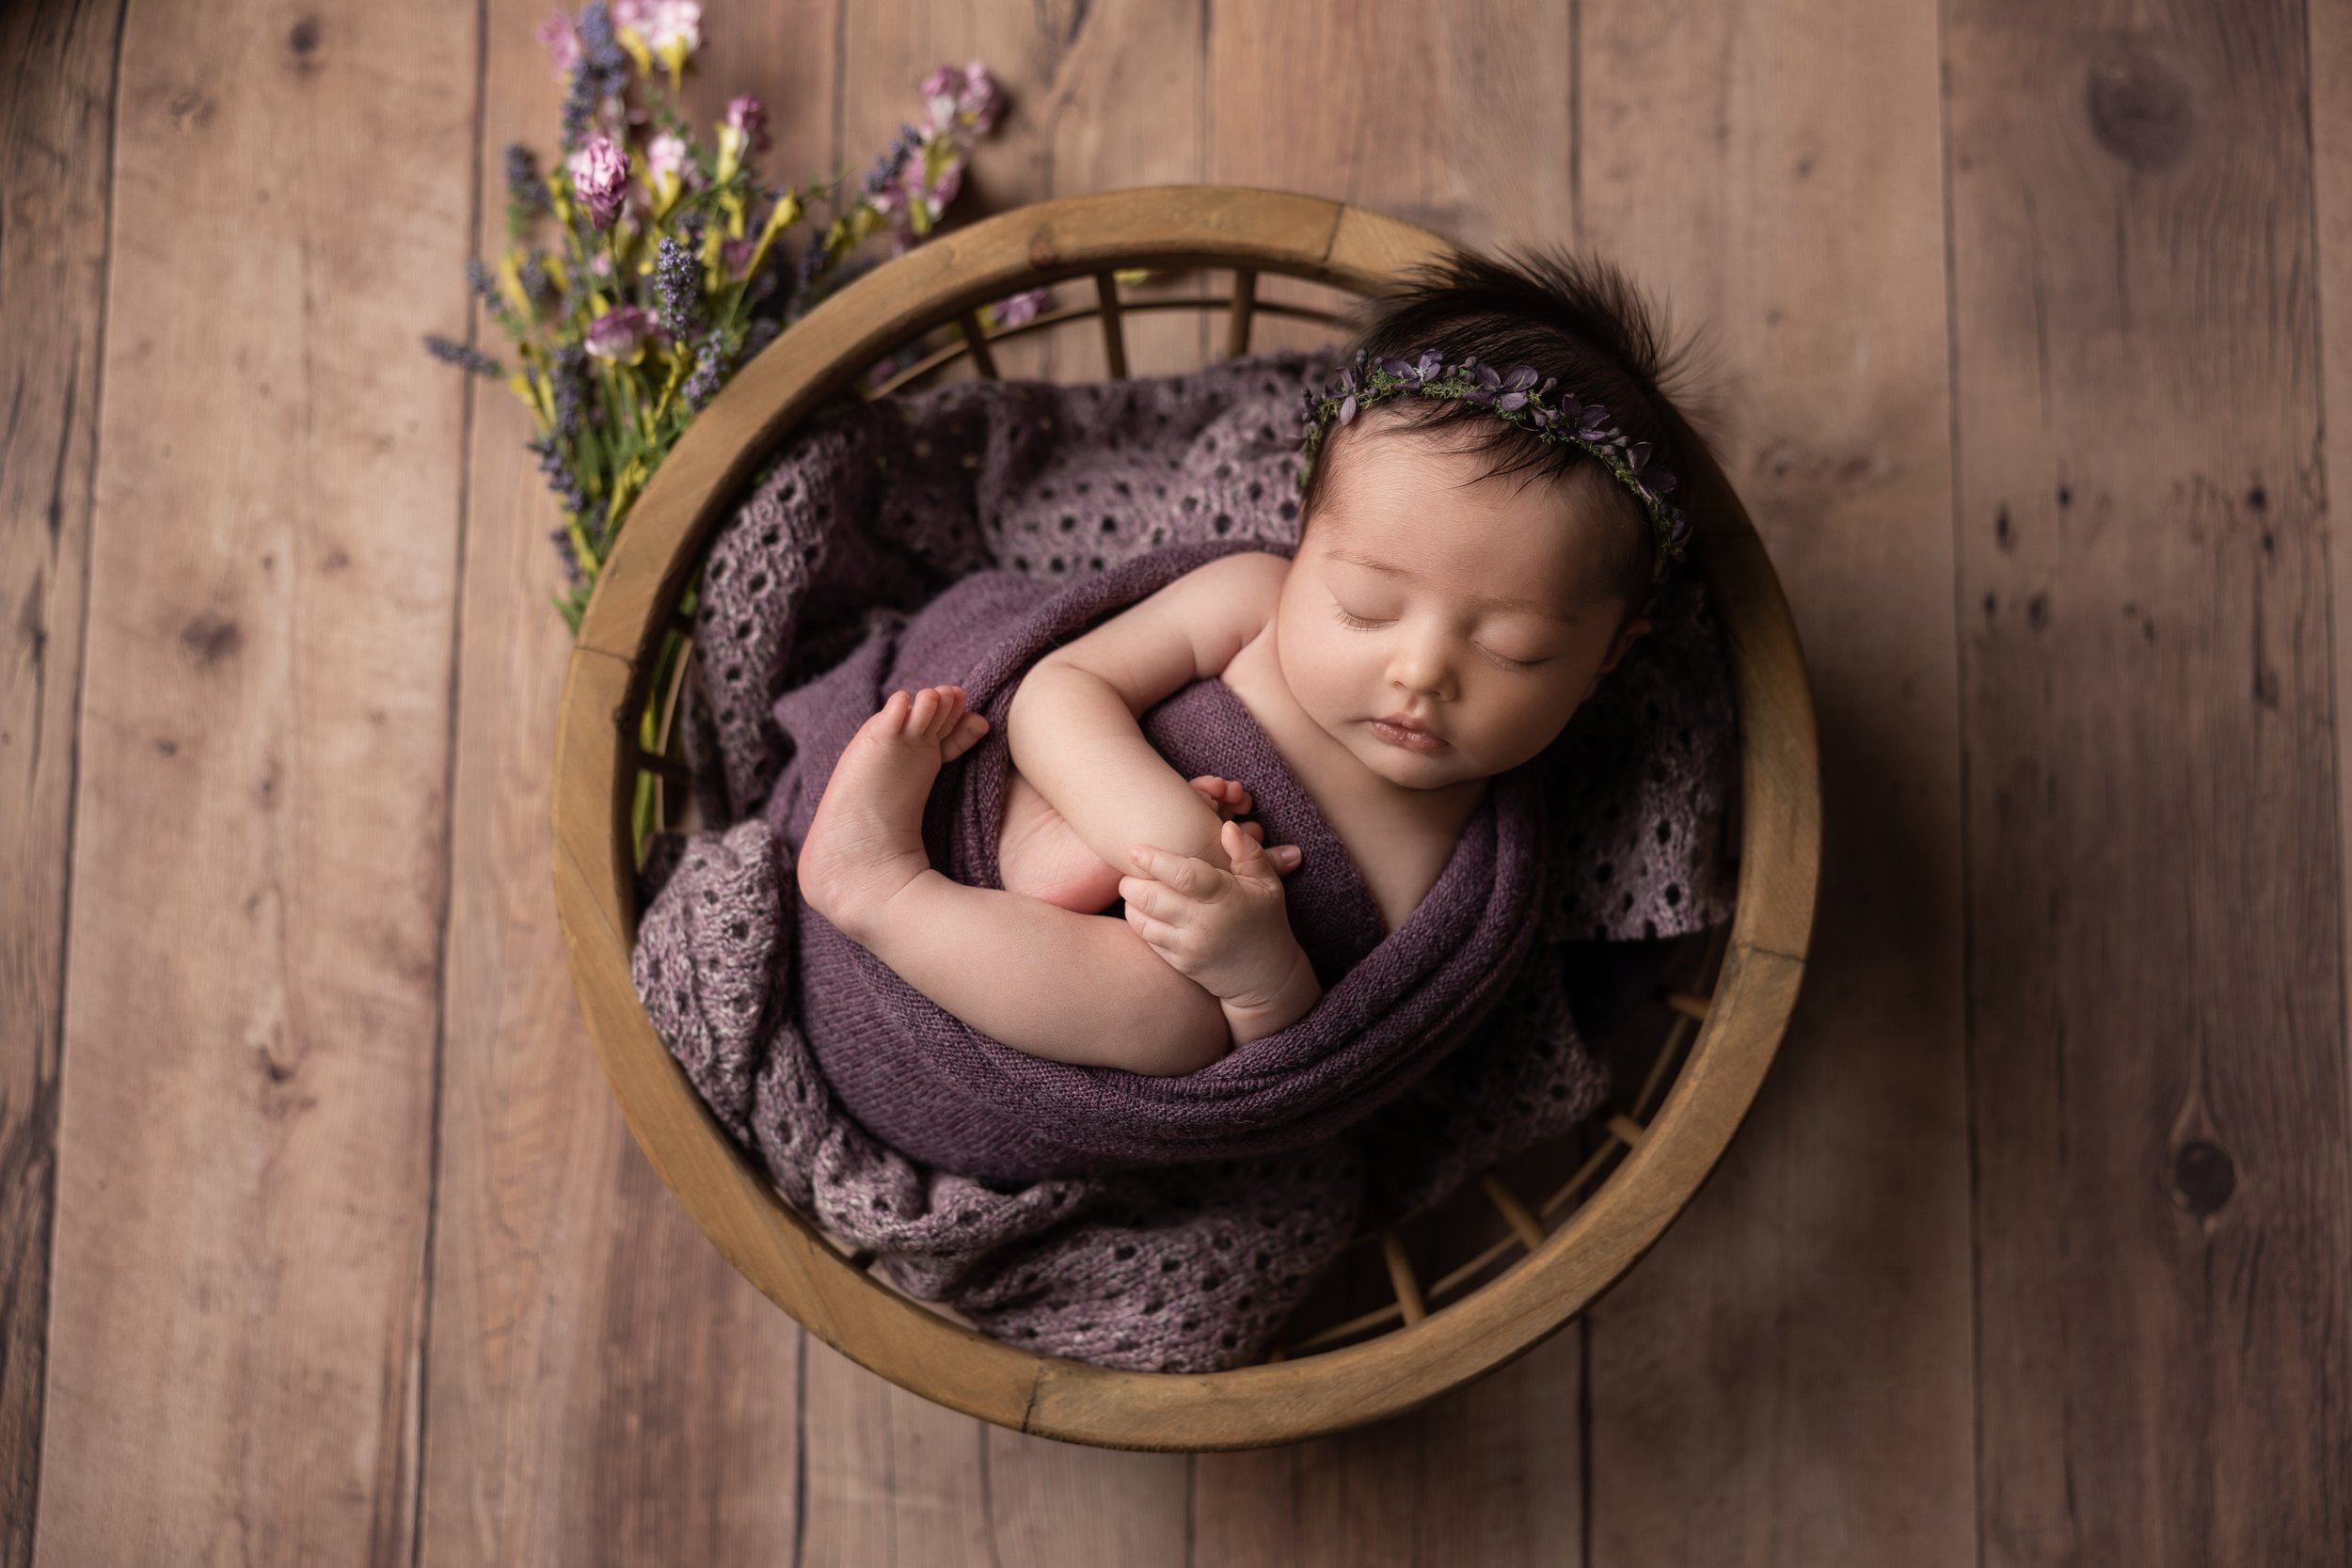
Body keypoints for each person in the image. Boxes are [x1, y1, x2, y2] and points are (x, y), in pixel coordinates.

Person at [792, 245, 1708, 1077]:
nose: (1421, 672)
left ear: (1603, 660)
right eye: (1365, 607)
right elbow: (1055, 690)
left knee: (1175, 1023)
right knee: (1017, 738)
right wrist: (1170, 842)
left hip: (992, 1049)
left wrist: (1258, 974)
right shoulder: (1250, 604)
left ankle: (885, 894)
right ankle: (1008, 852)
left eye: (1516, 650)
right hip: (988, 818)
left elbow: (1312, 1067)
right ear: (1302, 535)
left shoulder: (1476, 884)